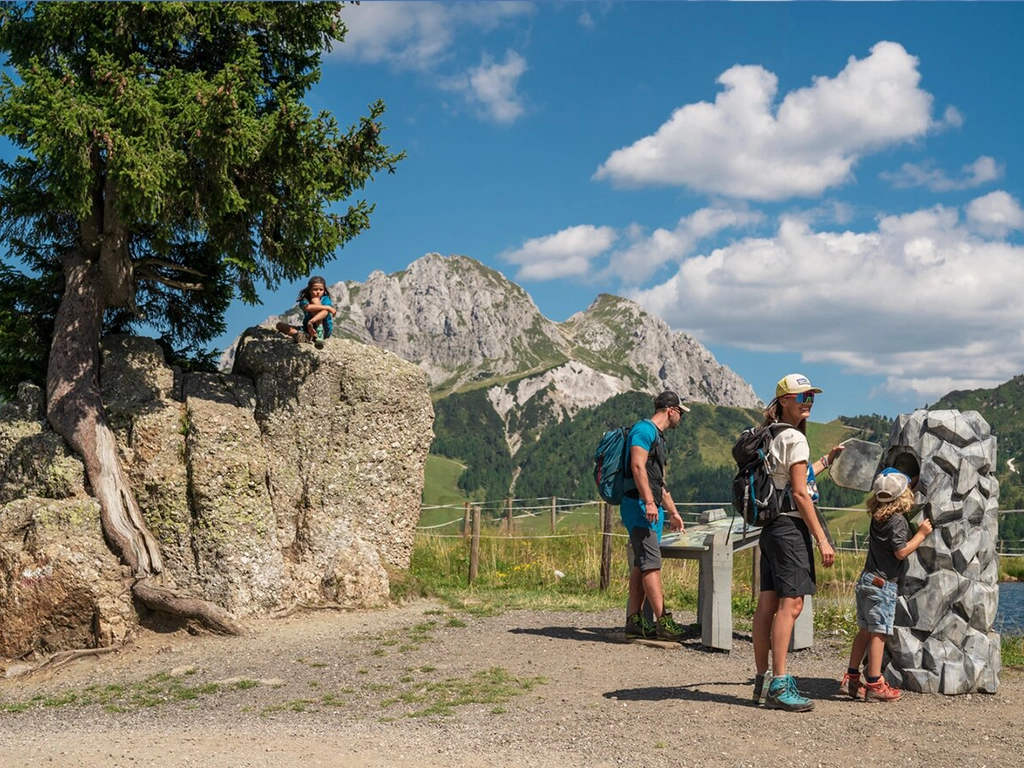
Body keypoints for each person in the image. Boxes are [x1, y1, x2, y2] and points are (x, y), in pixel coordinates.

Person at [752, 373, 843, 711]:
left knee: (767, 606)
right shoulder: (796, 438)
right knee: (792, 606)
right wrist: (821, 539)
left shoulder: (770, 434)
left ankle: (763, 681)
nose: (808, 403)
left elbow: (788, 479)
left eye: (811, 398)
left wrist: (825, 461)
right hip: (791, 530)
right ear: (784, 401)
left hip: (771, 528)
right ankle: (780, 683)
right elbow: (800, 493)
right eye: (802, 397)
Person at [839, 468, 933, 703]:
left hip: (868, 581)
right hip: (883, 585)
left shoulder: (878, 513)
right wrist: (921, 535)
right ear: (902, 496)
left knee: (864, 630)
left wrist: (911, 480)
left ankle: (851, 678)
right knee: (879, 633)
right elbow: (901, 551)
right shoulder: (898, 521)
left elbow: (891, 490)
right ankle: (874, 683)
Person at [621, 391, 689, 641]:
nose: (681, 418)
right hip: (639, 507)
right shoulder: (644, 430)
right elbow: (637, 466)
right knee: (651, 563)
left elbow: (658, 481)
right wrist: (649, 502)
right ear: (671, 410)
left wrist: (672, 511)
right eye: (681, 412)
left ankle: (634, 620)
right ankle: (663, 622)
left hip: (650, 507)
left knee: (642, 563)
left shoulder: (657, 437)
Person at [275, 276, 337, 349]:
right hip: (308, 329)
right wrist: (328, 307)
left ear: (324, 290)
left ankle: (319, 332)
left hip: (324, 328)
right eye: (315, 289)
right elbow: (306, 307)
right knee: (279, 325)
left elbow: (325, 313)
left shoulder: (325, 299)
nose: (318, 292)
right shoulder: (305, 300)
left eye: (321, 290)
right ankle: (300, 335)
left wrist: (311, 321)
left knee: (315, 300)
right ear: (309, 290)